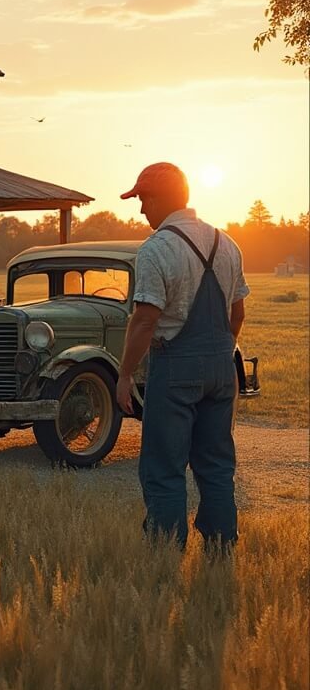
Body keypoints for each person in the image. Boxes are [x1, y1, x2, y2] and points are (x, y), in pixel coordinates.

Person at [115, 162, 250, 551]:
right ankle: (221, 549)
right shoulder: (227, 243)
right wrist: (219, 353)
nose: (142, 209)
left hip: (175, 368)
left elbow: (145, 320)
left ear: (160, 199)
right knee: (217, 465)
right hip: (222, 368)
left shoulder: (156, 249)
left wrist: (125, 375)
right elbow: (237, 314)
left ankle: (165, 552)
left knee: (164, 467)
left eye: (143, 199)